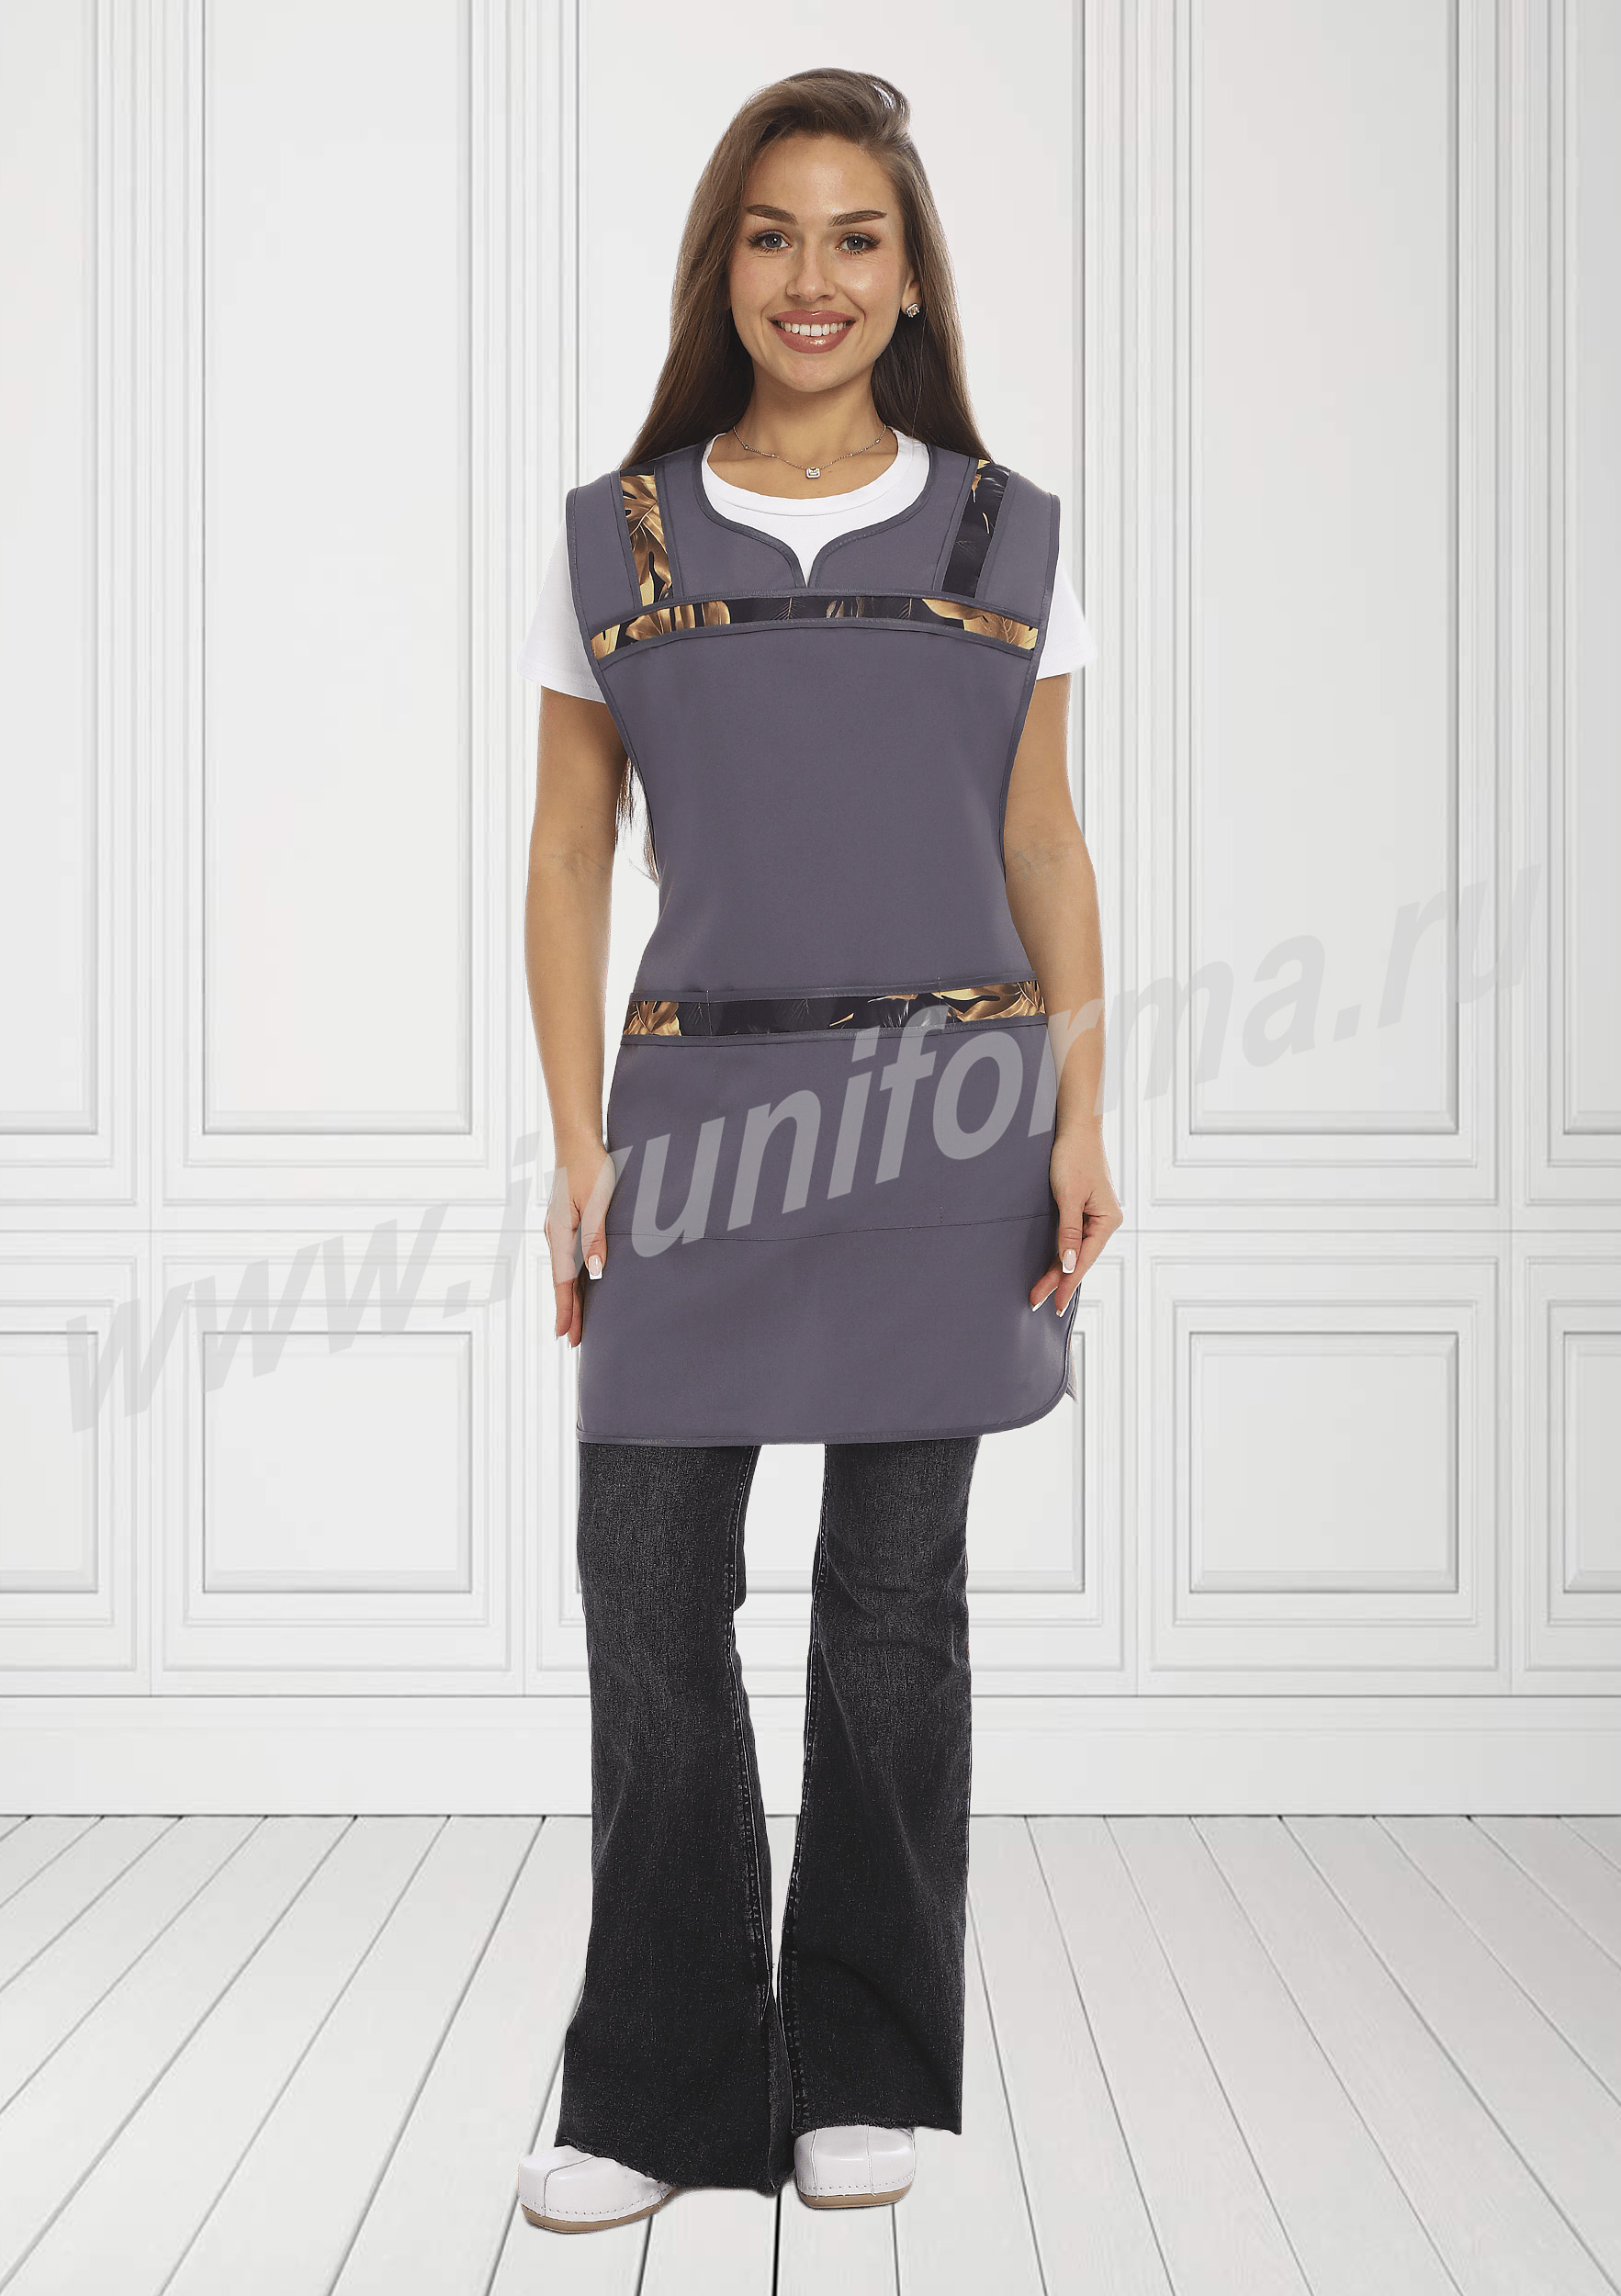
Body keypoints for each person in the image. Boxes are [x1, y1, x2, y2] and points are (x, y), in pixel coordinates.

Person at [517, 67, 1121, 2232]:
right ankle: (659, 2079)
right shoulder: (615, 535)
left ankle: (862, 2061)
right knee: (647, 1591)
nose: (814, 277)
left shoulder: (1005, 533)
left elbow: (1040, 839)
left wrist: (1084, 1103)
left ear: (909, 276)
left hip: (953, 1114)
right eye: (773, 234)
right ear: (725, 267)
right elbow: (566, 853)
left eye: (856, 237)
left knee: (891, 1607)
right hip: (692, 1132)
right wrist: (573, 1139)